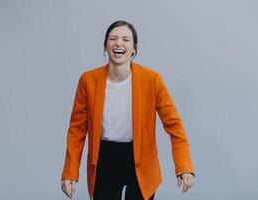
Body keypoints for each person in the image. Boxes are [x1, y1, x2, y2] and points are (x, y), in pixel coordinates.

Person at [61, 20, 195, 200]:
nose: (118, 43)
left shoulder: (151, 79)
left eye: (126, 40)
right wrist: (70, 172)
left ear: (134, 49)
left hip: (141, 159)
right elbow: (76, 129)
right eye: (113, 39)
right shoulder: (88, 80)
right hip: (105, 158)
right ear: (106, 46)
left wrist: (184, 166)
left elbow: (174, 125)